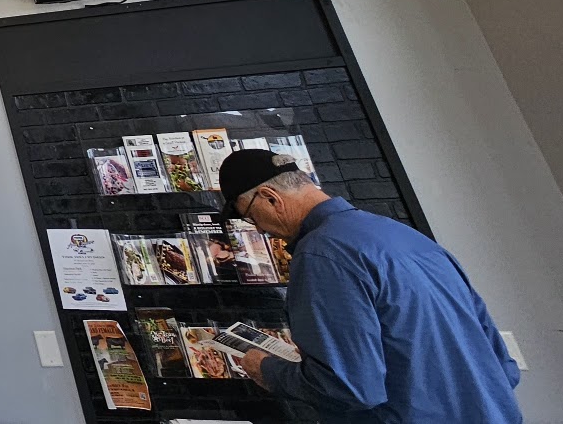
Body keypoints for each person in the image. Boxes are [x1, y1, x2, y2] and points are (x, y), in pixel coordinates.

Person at [216, 148, 522, 423]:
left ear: (271, 198)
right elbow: (502, 364)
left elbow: (349, 387)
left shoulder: (322, 253)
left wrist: (267, 370)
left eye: (250, 217)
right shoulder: (410, 238)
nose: (260, 230)